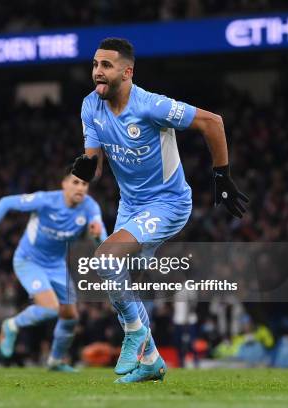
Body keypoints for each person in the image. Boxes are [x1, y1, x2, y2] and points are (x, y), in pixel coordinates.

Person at [71, 38, 248, 383]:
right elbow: (94, 161)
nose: (97, 73)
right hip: (131, 207)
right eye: (94, 65)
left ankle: (136, 336)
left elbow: (213, 123)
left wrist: (222, 175)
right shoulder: (90, 106)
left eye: (106, 66)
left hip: (168, 204)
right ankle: (151, 361)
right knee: (120, 286)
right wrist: (84, 168)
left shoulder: (152, 106)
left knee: (106, 259)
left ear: (127, 71)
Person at [0, 168, 107, 371]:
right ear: (64, 184)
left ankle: (55, 361)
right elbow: (5, 202)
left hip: (56, 265)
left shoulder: (90, 206)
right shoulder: (45, 200)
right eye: (75, 182)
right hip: (29, 261)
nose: (80, 188)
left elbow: (101, 236)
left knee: (70, 315)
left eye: (84, 184)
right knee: (50, 308)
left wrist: (98, 236)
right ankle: (11, 325)